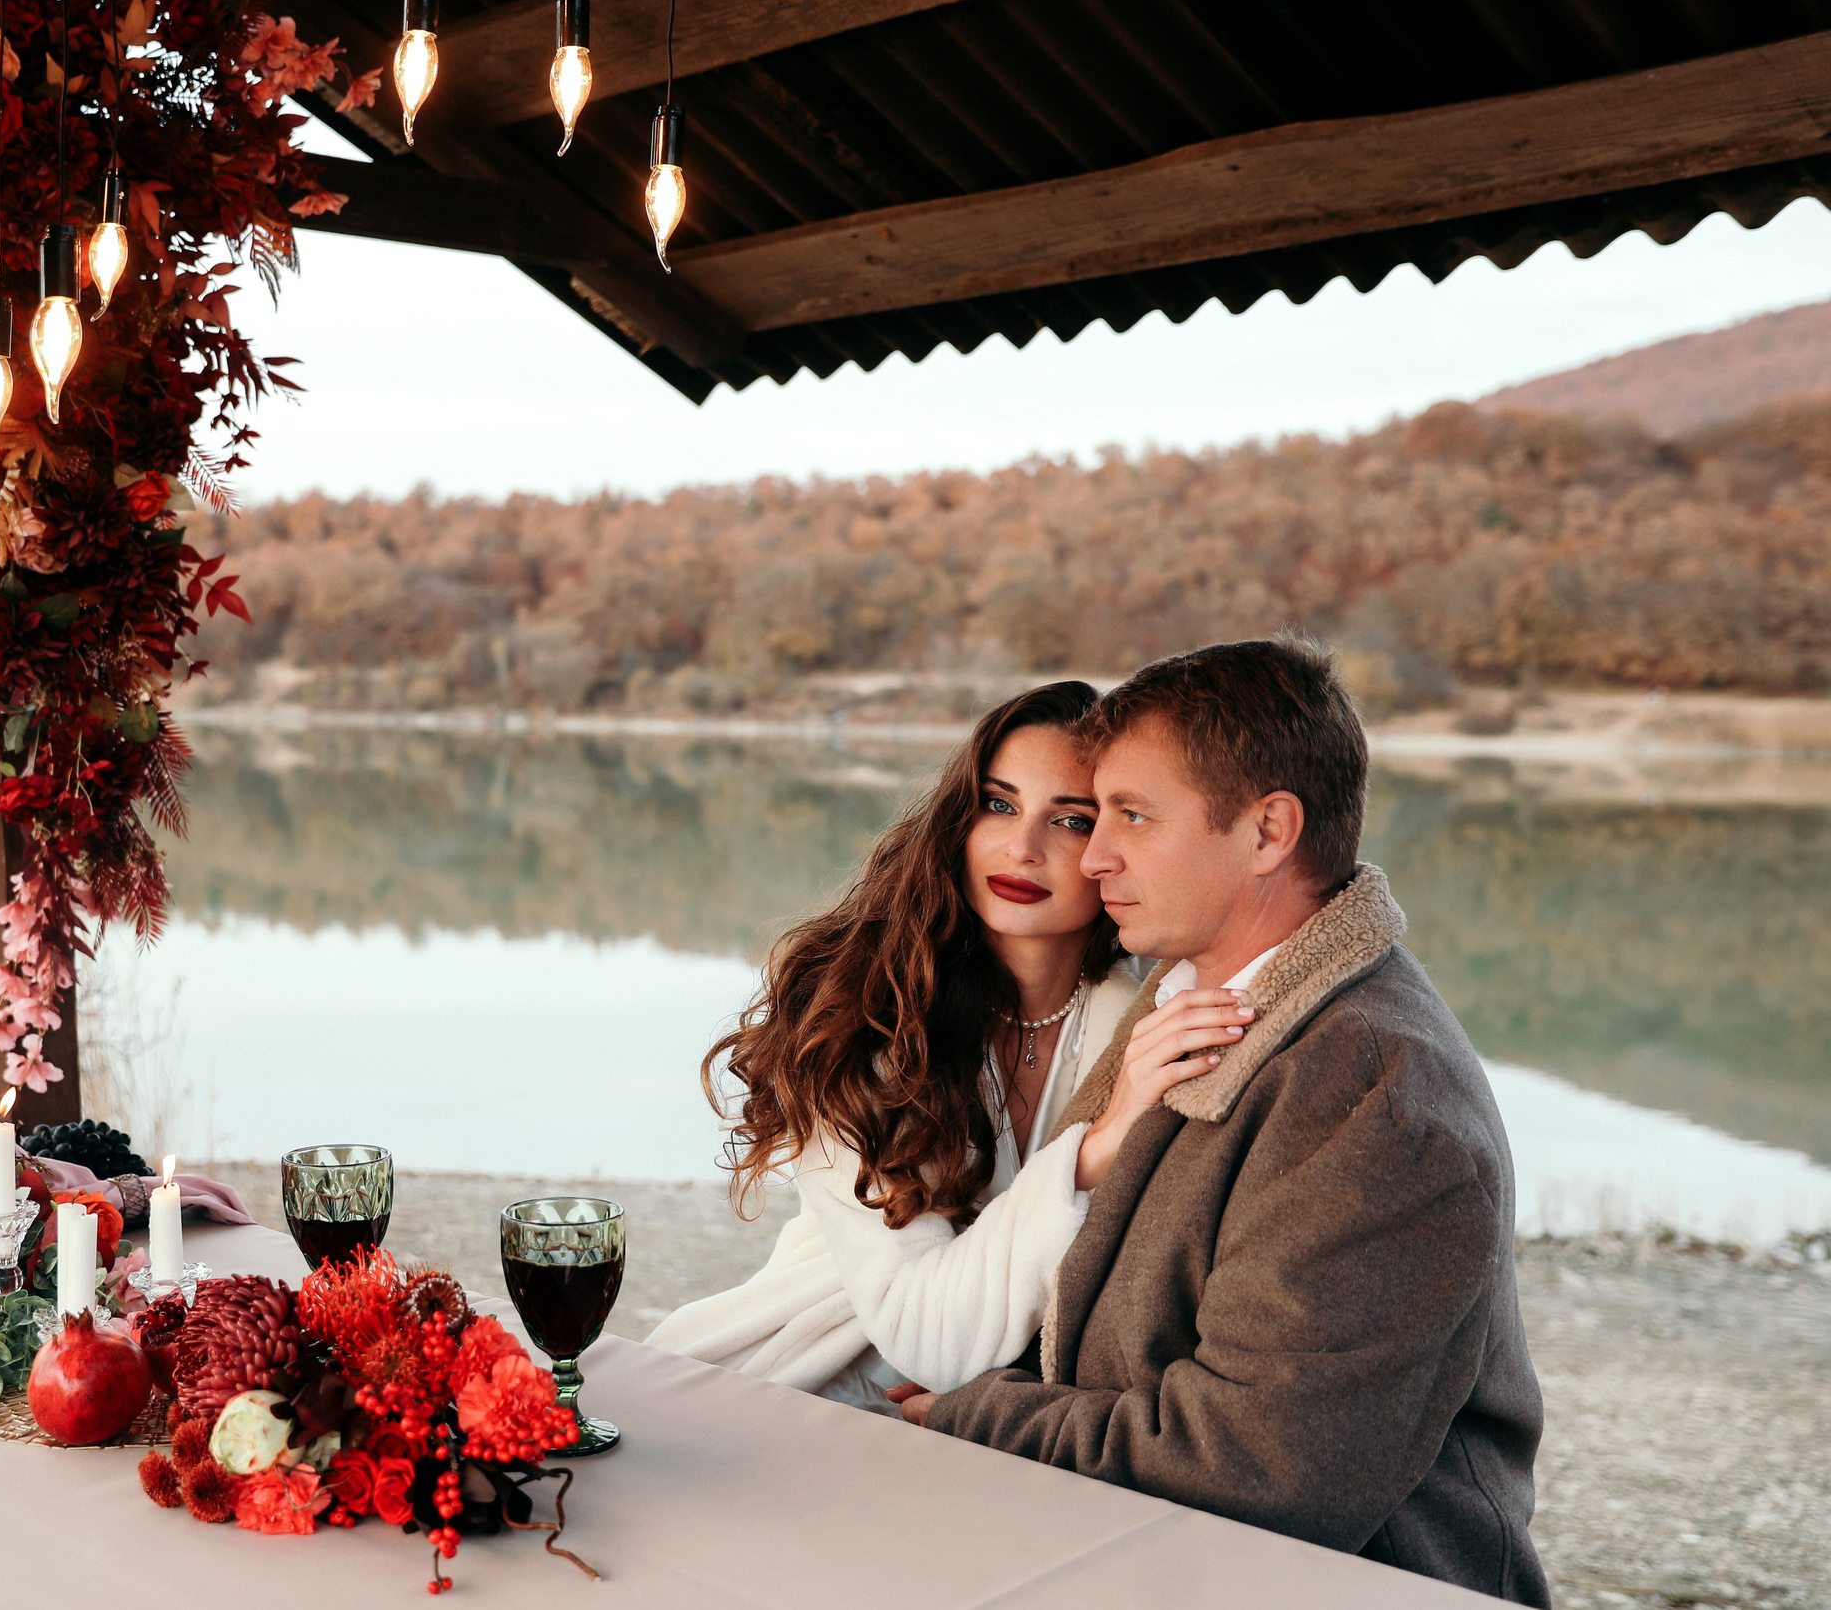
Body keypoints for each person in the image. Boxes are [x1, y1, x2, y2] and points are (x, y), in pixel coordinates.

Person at [902, 639, 1548, 1606]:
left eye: (1134, 816)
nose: (1094, 854)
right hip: (1124, 1557)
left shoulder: (1376, 1098)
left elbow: (1251, 1471)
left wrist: (967, 1416)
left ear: (1267, 831)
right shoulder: (1193, 992)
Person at [647, 683, 1229, 1413]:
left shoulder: (1139, 1022)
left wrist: (998, 1394)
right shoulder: (863, 1022)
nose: (1023, 847)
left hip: (1005, 1416)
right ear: (960, 817)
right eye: (999, 804)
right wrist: (1095, 1149)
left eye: (1071, 820)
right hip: (790, 1384)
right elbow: (933, 1339)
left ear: (1113, 849)